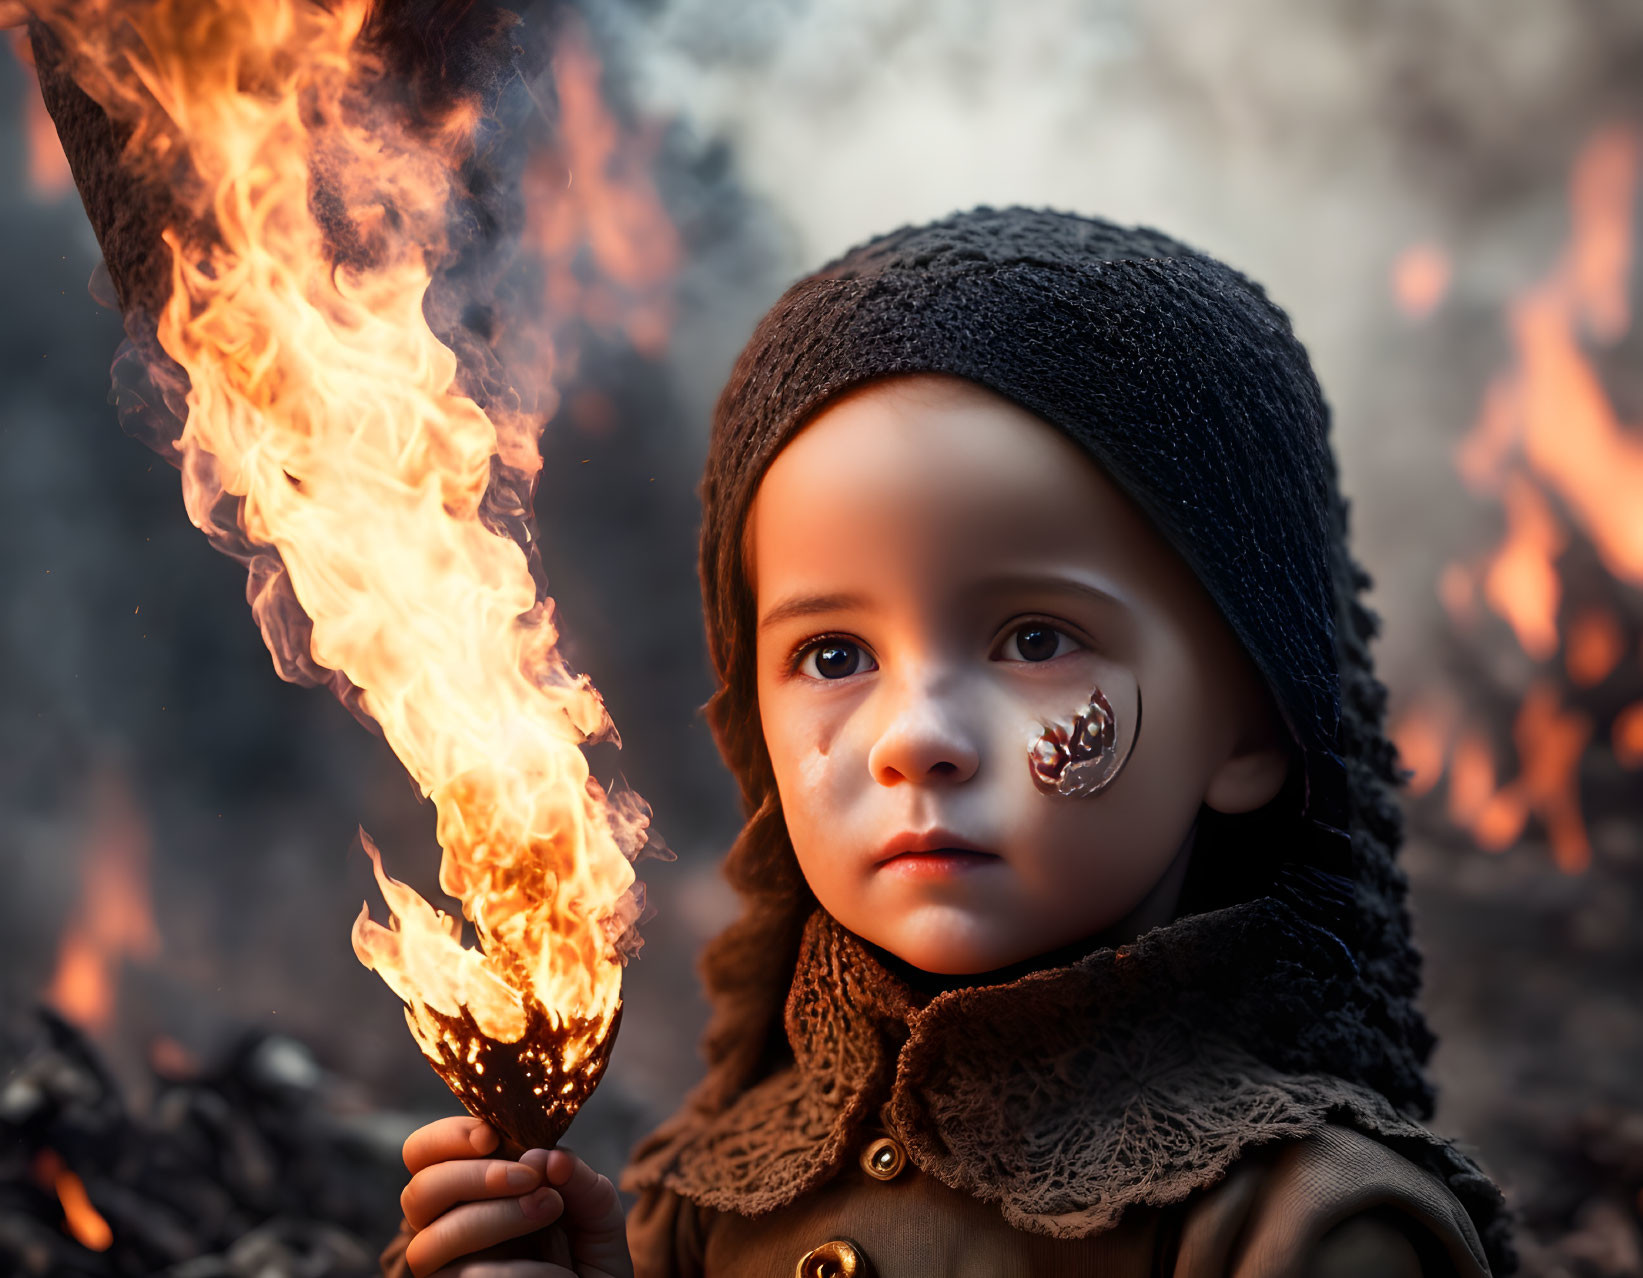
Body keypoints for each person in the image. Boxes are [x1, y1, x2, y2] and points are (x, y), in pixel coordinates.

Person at [380, 207, 1515, 1277]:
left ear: (1250, 727)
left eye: (1032, 638)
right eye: (832, 656)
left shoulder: (1304, 1223)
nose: (915, 738)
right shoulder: (704, 1200)